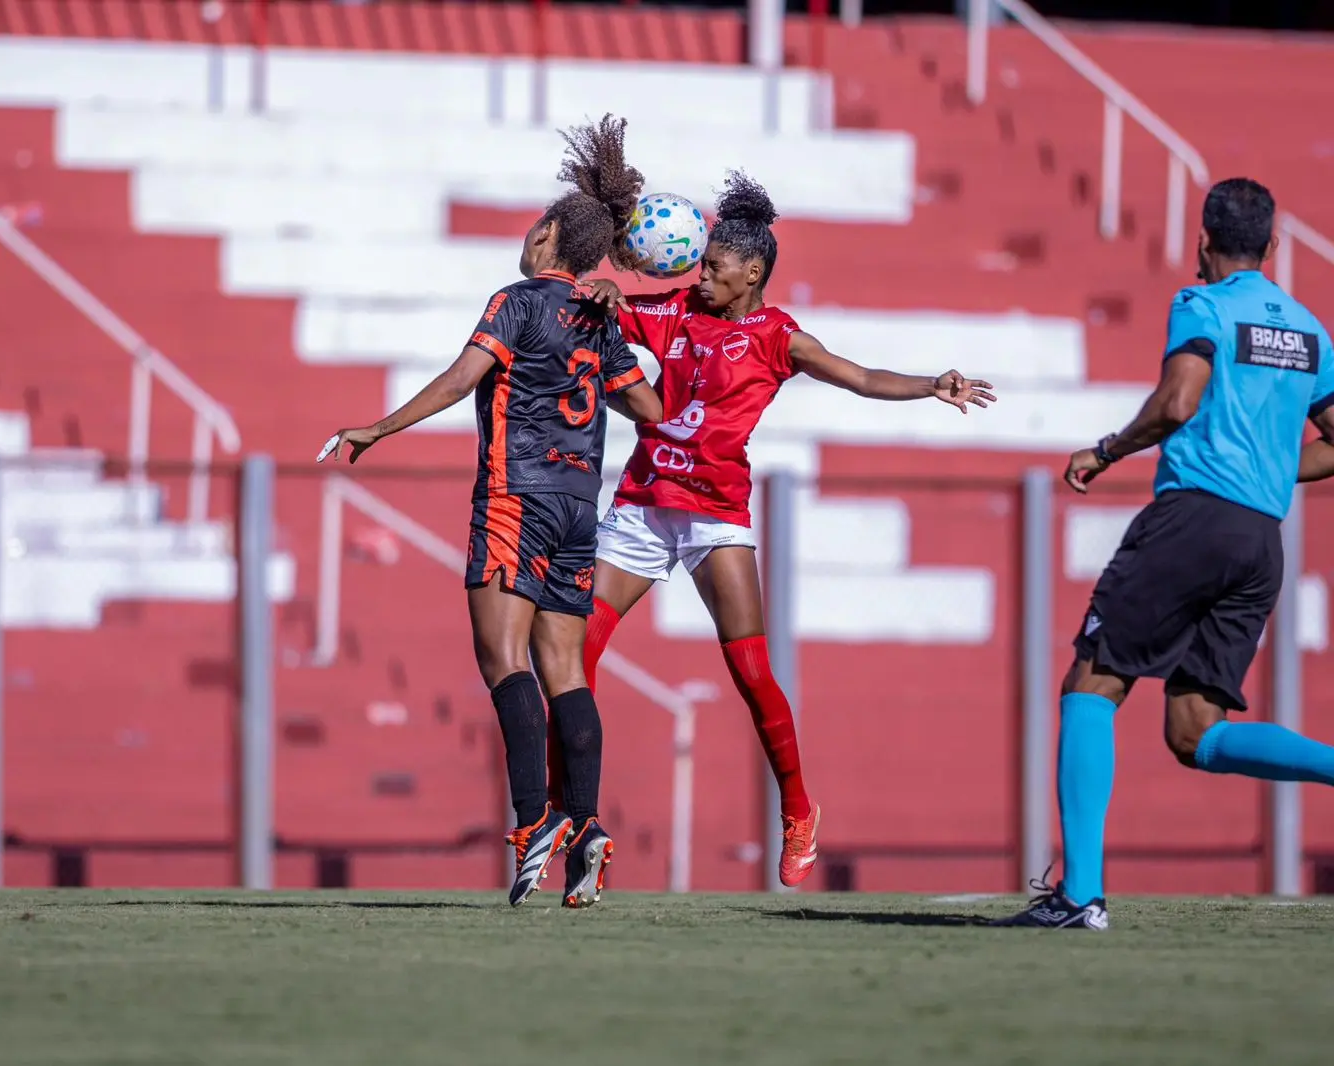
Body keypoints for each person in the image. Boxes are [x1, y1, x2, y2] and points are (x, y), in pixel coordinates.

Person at [562, 173, 995, 887]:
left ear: (752, 273)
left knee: (751, 671)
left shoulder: (777, 338)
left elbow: (857, 377)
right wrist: (606, 291)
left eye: (714, 267)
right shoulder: (674, 310)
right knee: (575, 653)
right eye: (699, 264)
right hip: (643, 502)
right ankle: (575, 818)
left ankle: (798, 810)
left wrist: (929, 384)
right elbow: (603, 313)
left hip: (713, 511)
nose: (700, 275)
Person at [319, 116, 663, 908]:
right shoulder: (600, 318)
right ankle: (587, 824)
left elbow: (455, 379)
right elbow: (648, 407)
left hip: (516, 500)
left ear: (546, 236)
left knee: (503, 661)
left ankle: (531, 822)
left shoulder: (517, 302)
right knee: (567, 669)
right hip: (582, 511)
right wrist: (632, 330)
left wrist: (377, 427)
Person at [999, 178, 1334, 930]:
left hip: (1192, 519)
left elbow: (1180, 400)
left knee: (1092, 680)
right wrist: (1271, 467)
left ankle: (1079, 895)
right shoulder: (1311, 331)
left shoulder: (1202, 305)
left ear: (1203, 244)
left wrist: (1107, 450)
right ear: (1274, 246)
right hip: (1260, 542)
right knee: (1194, 730)